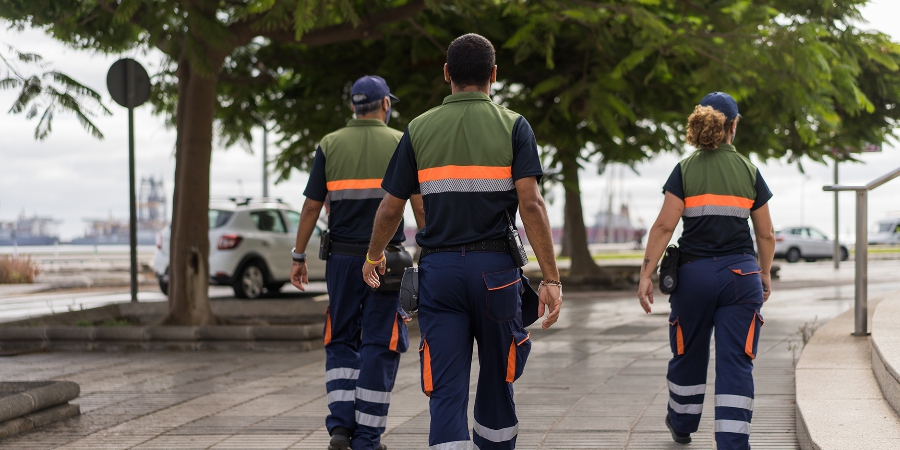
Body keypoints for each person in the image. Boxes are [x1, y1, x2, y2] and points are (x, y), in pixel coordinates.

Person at [361, 33, 562, 450]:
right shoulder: (515, 126)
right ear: (493, 75)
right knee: (497, 378)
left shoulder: (418, 128)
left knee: (446, 387)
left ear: (447, 73)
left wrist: (374, 255)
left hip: (441, 274)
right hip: (496, 275)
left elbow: (390, 208)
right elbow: (532, 205)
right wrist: (551, 278)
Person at [290, 75, 425, 450]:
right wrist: (428, 248)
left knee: (341, 339)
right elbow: (418, 204)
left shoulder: (330, 144)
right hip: (385, 262)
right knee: (380, 341)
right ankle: (368, 437)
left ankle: (340, 428)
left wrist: (299, 257)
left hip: (341, 261)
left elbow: (311, 206)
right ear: (384, 105)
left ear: (353, 106)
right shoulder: (401, 141)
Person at [637, 92, 775, 449]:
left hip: (693, 278)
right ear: (733, 126)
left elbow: (664, 227)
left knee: (688, 352)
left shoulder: (684, 169)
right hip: (741, 279)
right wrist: (764, 272)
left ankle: (682, 423)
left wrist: (645, 274)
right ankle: (732, 441)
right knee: (737, 361)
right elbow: (766, 233)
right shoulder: (749, 171)